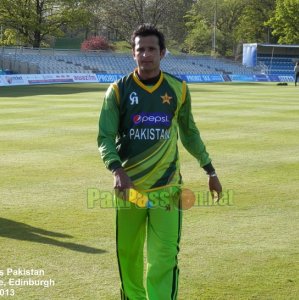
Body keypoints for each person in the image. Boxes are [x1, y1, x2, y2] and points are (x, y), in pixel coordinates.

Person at [97, 24, 222, 300]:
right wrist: (117, 169)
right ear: (133, 53)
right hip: (130, 191)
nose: (146, 55)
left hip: (167, 191)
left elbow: (189, 133)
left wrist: (209, 169)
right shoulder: (117, 91)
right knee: (128, 257)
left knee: (163, 259)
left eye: (152, 49)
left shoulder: (178, 89)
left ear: (162, 53)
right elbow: (104, 137)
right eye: (140, 49)